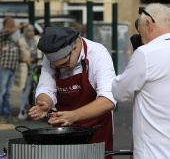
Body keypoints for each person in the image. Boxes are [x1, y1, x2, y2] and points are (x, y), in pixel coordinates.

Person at [28, 27, 117, 155]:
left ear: (74, 48)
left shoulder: (98, 54)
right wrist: (44, 103)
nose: (62, 70)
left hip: (96, 128)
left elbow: (108, 100)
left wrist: (74, 116)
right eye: (57, 67)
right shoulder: (52, 57)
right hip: (65, 129)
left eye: (65, 64)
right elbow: (46, 88)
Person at [112, 3, 170, 159]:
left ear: (149, 25)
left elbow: (119, 92)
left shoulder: (146, 53)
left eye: (140, 30)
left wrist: (137, 56)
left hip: (153, 153)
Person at [0, 16, 28, 123]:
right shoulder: (3, 33)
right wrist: (21, 25)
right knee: (2, 92)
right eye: (12, 21)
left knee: (7, 93)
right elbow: (9, 31)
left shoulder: (10, 37)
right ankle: (1, 114)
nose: (14, 23)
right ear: (7, 23)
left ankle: (6, 115)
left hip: (12, 67)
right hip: (4, 67)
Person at [14, 24, 42, 120]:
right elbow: (15, 55)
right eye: (29, 31)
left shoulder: (37, 39)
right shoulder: (20, 41)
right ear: (25, 31)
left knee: (37, 91)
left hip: (37, 69)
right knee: (26, 90)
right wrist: (24, 59)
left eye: (32, 31)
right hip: (26, 69)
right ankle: (22, 110)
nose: (31, 33)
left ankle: (37, 112)